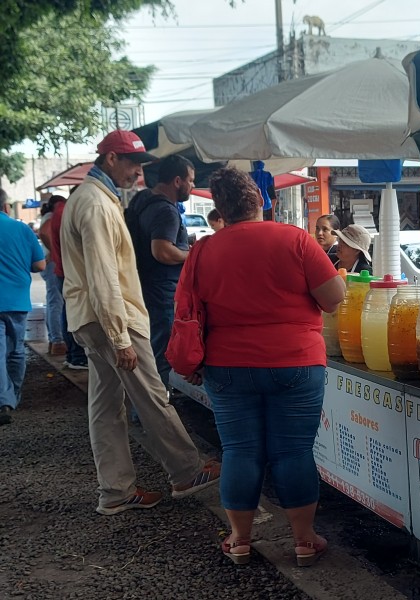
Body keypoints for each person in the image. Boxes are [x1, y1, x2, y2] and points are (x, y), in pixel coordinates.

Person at [178, 166, 345, 566]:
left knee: (240, 451)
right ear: (260, 199)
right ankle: (304, 541)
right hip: (296, 363)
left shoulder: (203, 250)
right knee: (293, 452)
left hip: (228, 365)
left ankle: (239, 540)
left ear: (219, 208)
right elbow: (333, 298)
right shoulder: (297, 239)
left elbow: (187, 309)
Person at [60, 129, 220, 515]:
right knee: (151, 395)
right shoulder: (97, 204)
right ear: (111, 160)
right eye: (132, 163)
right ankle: (186, 470)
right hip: (112, 317)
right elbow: (103, 276)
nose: (137, 171)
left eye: (139, 164)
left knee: (106, 407)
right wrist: (120, 338)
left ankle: (115, 490)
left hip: (93, 316)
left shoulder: (96, 199)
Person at [126, 154, 195, 390]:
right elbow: (162, 251)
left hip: (141, 284)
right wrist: (192, 254)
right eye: (191, 181)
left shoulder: (142, 199)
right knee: (162, 350)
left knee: (147, 348)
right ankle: (157, 408)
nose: (192, 186)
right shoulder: (166, 211)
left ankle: (144, 407)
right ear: (177, 181)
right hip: (161, 290)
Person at [0, 188, 46, 426]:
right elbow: (39, 264)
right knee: (16, 350)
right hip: (17, 301)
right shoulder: (21, 229)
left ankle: (3, 401)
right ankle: (13, 397)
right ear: (6, 207)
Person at [49, 191, 89, 370]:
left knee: (68, 310)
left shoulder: (59, 212)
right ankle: (76, 355)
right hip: (69, 271)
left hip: (63, 270)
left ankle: (74, 354)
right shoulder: (65, 212)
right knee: (72, 312)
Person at [37, 196, 66, 356]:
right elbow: (43, 233)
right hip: (52, 262)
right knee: (56, 302)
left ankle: (55, 340)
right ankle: (57, 341)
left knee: (53, 301)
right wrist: (55, 252)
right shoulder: (51, 217)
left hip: (49, 261)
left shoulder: (48, 216)